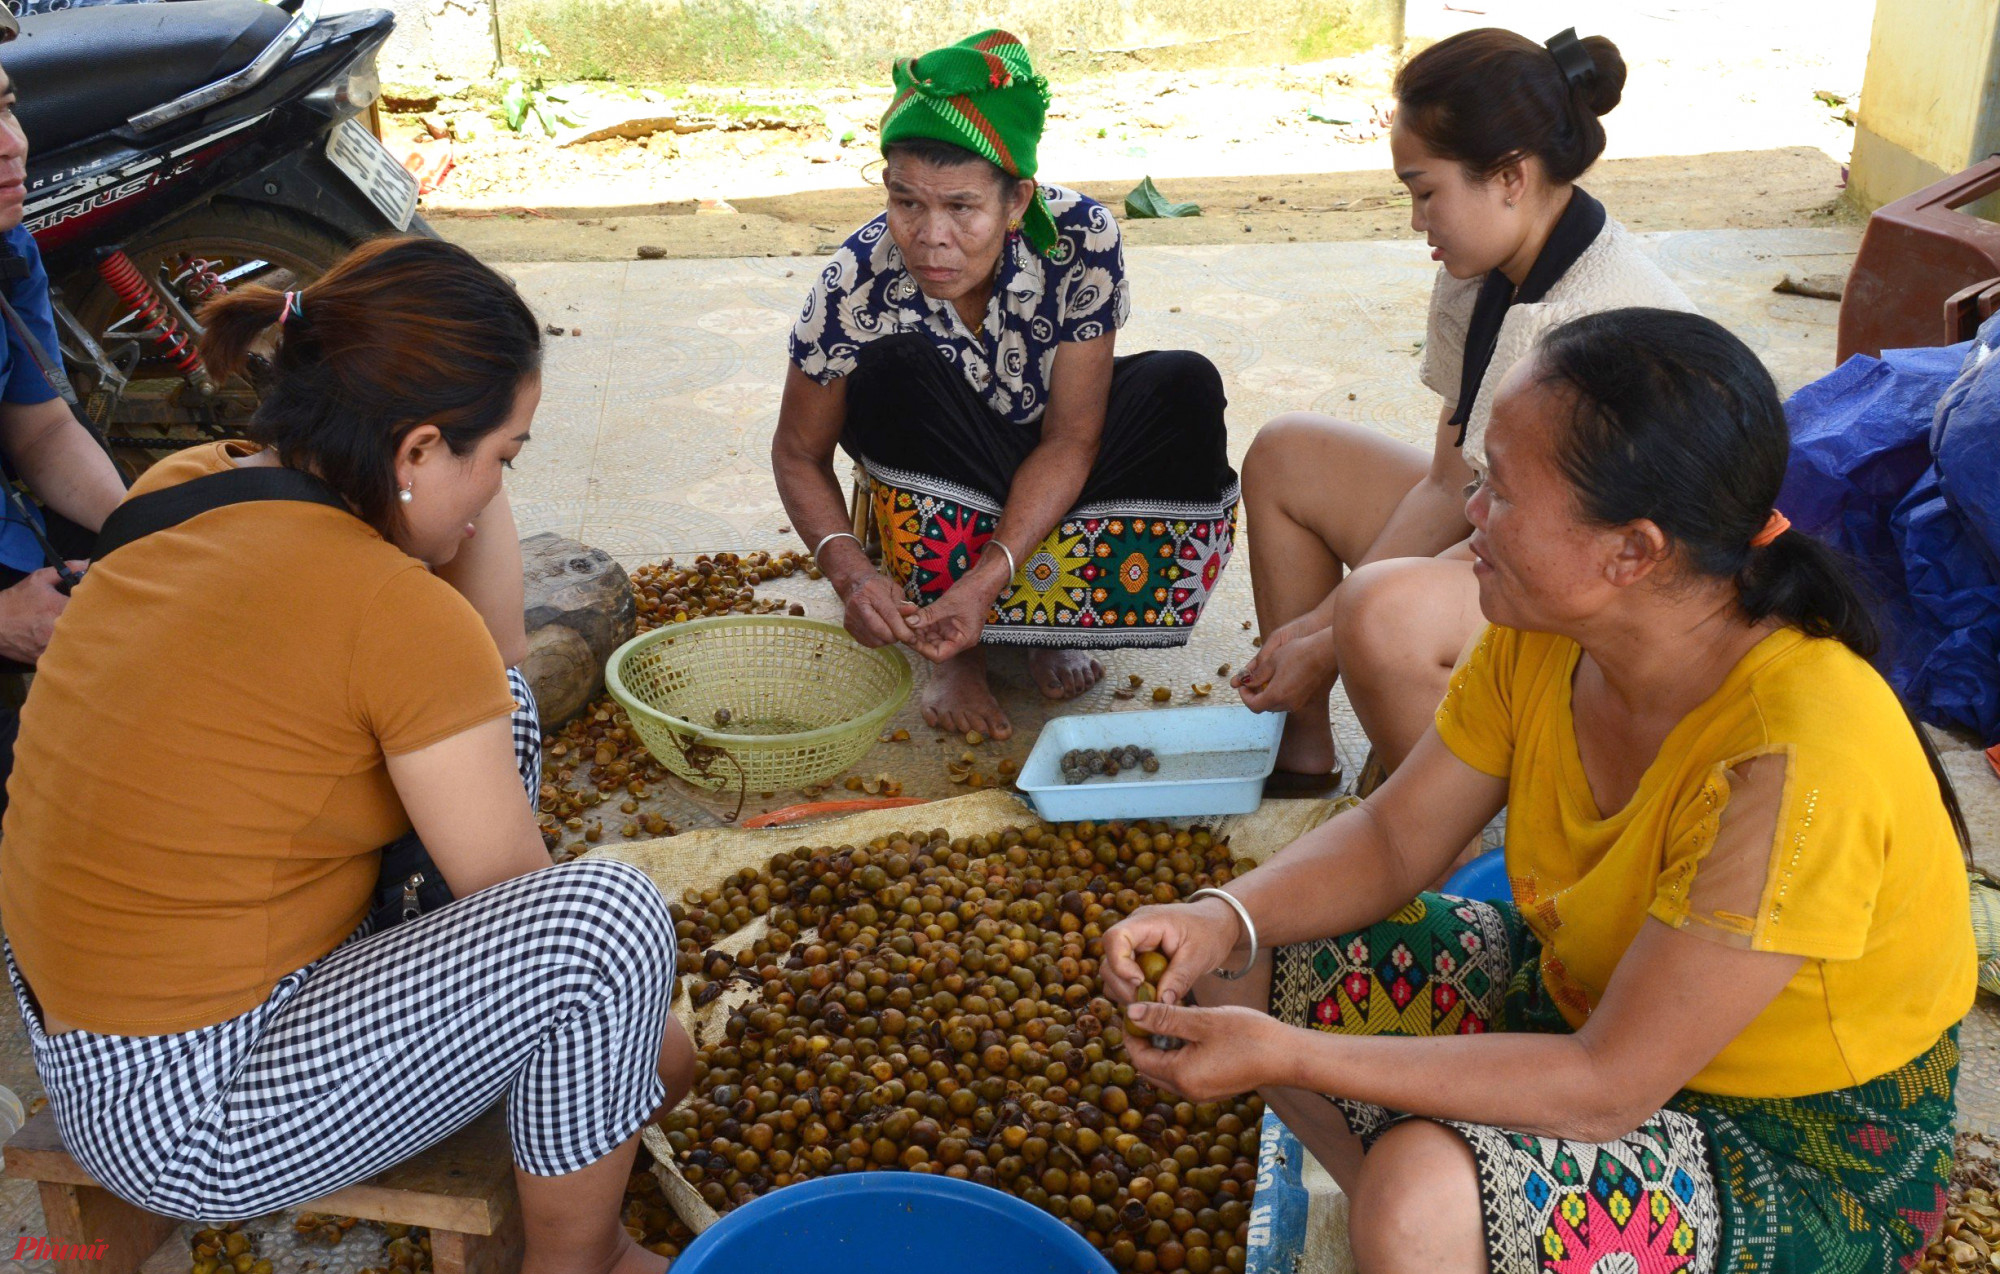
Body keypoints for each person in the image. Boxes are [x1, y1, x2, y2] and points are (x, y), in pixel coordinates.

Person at [1106, 310, 1974, 1273]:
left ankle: (1432, 1230)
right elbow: (1397, 838)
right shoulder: (1544, 630)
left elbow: (1607, 1086)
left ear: (1632, 552)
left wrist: (1288, 1053)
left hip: (1792, 1145)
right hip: (1579, 1002)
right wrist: (1223, 918)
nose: (1469, 516)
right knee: (1245, 960)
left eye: (1502, 496)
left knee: (1419, 1195)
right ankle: (1449, 1238)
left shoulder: (1795, 761)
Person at [0, 237, 695, 1274]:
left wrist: (459, 463)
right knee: (609, 927)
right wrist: (648, 1039)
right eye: (503, 458)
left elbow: (489, 665)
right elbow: (533, 909)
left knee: (491, 710)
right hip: (188, 1114)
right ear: (414, 451)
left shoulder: (189, 483)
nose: (498, 488)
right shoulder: (388, 609)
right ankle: (580, 1260)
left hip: (86, 1029)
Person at [1232, 28, 1696, 789]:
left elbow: (1520, 544)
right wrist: (1307, 632)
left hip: (1621, 598)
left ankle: (1431, 850)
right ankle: (1303, 752)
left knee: (1384, 616)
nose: (1418, 222)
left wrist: (1340, 633)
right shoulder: (1485, 264)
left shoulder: (1583, 321)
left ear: (1509, 176)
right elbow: (1455, 489)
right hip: (1523, 536)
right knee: (1288, 453)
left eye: (1425, 193)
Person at [774, 29, 1239, 740]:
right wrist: (852, 575)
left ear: (1017, 200)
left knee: (1184, 384)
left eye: (961, 208)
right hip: (936, 456)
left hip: (1047, 445)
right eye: (906, 203)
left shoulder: (1082, 238)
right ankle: (953, 651)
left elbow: (1073, 437)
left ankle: (1037, 617)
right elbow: (798, 452)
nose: (929, 237)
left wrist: (987, 577)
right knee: (896, 372)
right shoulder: (856, 279)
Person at [0, 16, 130, 803]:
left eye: (7, 106)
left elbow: (40, 426)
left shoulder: (8, 250)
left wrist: (142, 533)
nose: (10, 144)